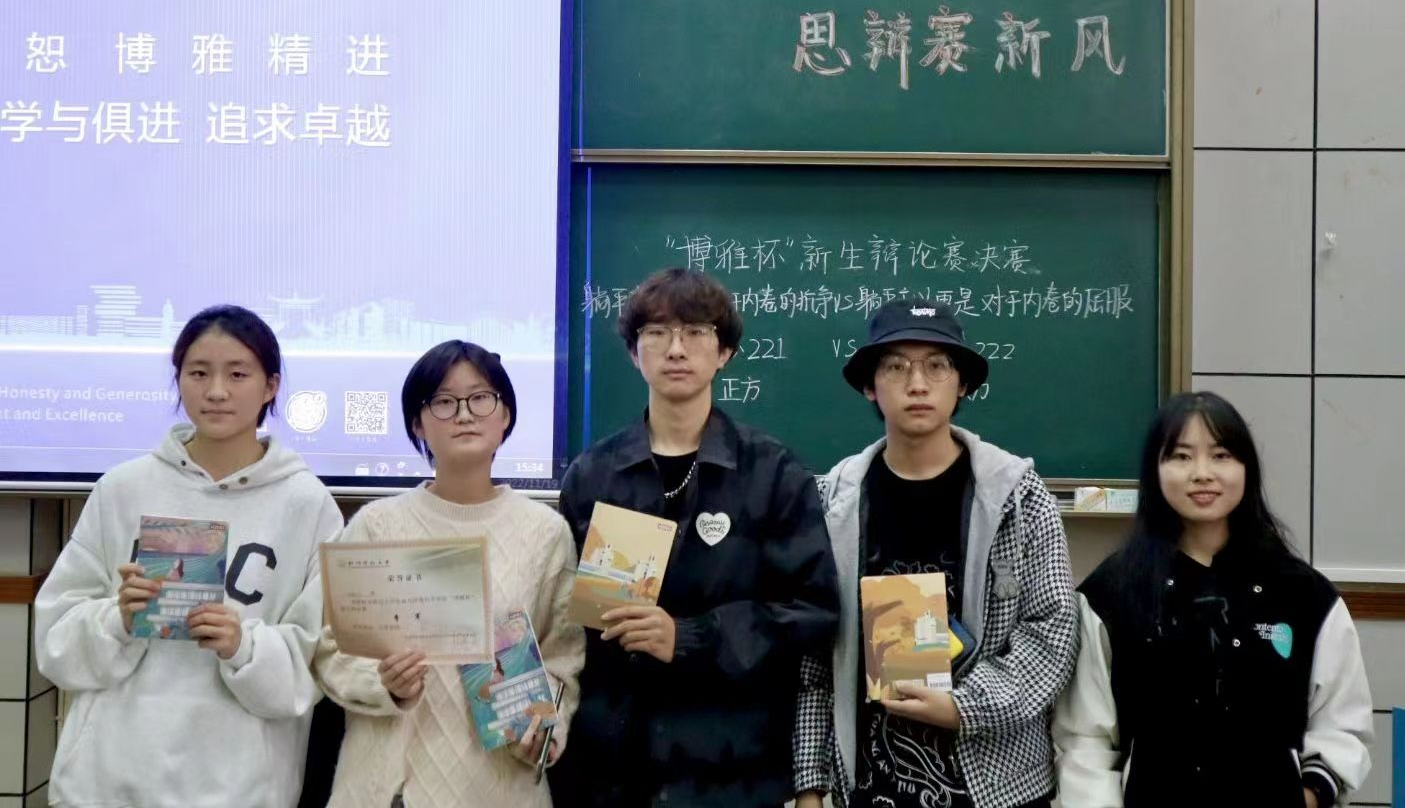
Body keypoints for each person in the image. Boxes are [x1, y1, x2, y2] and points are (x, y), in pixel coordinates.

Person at [550, 267, 839, 808]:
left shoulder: (773, 473)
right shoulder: (593, 475)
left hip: (732, 769)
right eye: (656, 333)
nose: (676, 349)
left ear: (724, 351)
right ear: (634, 353)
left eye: (695, 332)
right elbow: (564, 623)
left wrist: (691, 637)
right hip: (610, 770)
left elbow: (812, 611)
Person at [35, 304, 344, 808]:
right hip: (107, 780)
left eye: (237, 374)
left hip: (240, 787)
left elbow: (315, 665)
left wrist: (243, 644)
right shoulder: (123, 489)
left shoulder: (307, 506)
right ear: (178, 379)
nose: (216, 391)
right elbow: (55, 642)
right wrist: (118, 617)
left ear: (270, 386)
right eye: (198, 373)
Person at [794, 300, 1078, 808]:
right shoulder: (832, 502)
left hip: (998, 788)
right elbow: (814, 657)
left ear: (962, 383)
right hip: (868, 788)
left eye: (937, 366)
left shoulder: (1018, 497)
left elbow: (1052, 631)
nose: (917, 384)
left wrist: (964, 707)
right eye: (896, 366)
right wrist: (810, 784)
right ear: (870, 385)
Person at [1054, 390, 1374, 807]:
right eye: (1181, 456)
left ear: (1247, 469)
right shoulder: (1111, 594)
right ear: (1155, 471)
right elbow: (1086, 742)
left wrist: (1310, 794)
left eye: (1221, 455)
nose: (1202, 473)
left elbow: (1341, 723)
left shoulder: (1305, 595)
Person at [315, 340, 584, 808]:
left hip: (500, 788)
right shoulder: (376, 526)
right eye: (443, 401)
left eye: (481, 398)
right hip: (389, 790)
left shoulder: (546, 532)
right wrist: (384, 683)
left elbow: (562, 656)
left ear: (505, 415)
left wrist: (546, 728)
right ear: (417, 423)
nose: (463, 414)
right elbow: (329, 648)